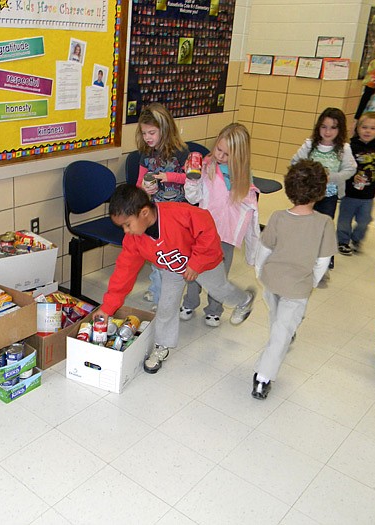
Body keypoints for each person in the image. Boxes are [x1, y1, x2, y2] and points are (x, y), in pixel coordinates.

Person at [98, 185, 256, 374]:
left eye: (127, 224)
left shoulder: (178, 213)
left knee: (219, 290)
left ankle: (244, 300)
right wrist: (107, 308)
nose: (125, 231)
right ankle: (162, 346)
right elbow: (123, 273)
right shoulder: (134, 240)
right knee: (166, 306)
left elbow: (206, 228)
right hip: (173, 269)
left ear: (145, 213)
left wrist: (196, 262)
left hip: (204, 261)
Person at [252, 160, 336, 399]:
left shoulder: (278, 217)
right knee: (281, 332)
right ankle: (263, 378)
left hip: (271, 280)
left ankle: (278, 347)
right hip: (298, 287)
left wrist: (260, 272)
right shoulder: (324, 223)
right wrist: (311, 283)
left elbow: (264, 249)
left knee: (278, 324)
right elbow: (322, 261)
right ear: (320, 191)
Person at [180, 123, 260, 327]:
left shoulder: (243, 175)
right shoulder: (206, 166)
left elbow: (247, 208)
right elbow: (192, 198)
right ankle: (189, 302)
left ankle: (215, 310)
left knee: (220, 273)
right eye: (219, 149)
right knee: (194, 268)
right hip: (202, 230)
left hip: (226, 234)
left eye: (227, 154)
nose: (220, 156)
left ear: (239, 156)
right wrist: (191, 179)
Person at [134, 103, 190, 311]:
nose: (148, 137)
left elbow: (193, 178)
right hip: (156, 213)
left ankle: (165, 298)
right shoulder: (146, 154)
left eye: (152, 132)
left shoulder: (182, 153)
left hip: (176, 214)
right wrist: (144, 189)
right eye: (144, 133)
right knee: (156, 255)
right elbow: (139, 181)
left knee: (169, 257)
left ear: (164, 129)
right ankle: (157, 291)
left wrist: (169, 177)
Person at [291, 107, 356, 269]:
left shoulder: (344, 149)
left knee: (325, 225)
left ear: (340, 129)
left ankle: (326, 256)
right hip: (309, 196)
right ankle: (305, 254)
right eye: (324, 127)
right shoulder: (309, 145)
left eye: (333, 127)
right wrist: (307, 175)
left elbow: (350, 170)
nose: (328, 132)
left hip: (330, 195)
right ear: (318, 127)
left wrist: (331, 177)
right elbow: (294, 162)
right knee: (306, 224)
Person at [336, 111, 375, 255]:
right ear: (357, 128)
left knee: (365, 220)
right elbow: (343, 166)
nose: (368, 131)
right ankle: (342, 241)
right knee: (344, 219)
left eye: (372, 128)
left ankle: (357, 238)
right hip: (349, 192)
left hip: (367, 194)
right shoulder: (350, 147)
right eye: (364, 127)